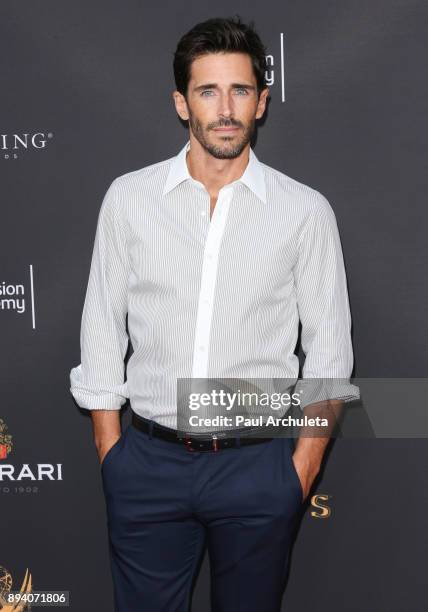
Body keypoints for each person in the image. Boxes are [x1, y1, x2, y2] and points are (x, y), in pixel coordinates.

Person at [70, 15, 359, 612]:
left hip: (258, 466)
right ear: (182, 103)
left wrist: (299, 471)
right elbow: (103, 323)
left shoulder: (303, 211)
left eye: (240, 90)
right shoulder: (130, 199)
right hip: (146, 463)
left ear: (262, 102)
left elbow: (328, 352)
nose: (225, 109)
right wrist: (112, 453)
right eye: (208, 91)